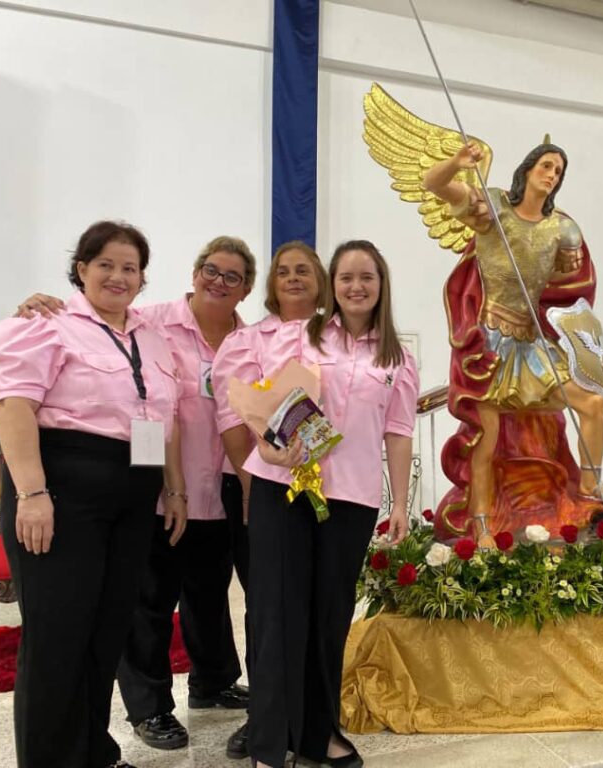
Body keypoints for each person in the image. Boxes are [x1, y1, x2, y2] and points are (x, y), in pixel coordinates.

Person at [16, 236, 259, 758]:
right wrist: (38, 303)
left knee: (209, 592)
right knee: (149, 600)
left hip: (216, 484)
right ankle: (149, 706)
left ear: (246, 289)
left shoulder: (250, 340)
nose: (219, 282)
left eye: (233, 276)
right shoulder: (151, 324)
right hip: (151, 486)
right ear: (194, 273)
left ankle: (212, 682)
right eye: (211, 270)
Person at [215, 240, 419, 768]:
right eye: (346, 277)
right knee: (277, 613)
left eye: (366, 277)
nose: (356, 286)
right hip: (285, 489)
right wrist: (265, 445)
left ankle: (317, 733)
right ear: (333, 285)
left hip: (352, 498)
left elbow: (398, 431)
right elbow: (265, 397)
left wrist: (399, 502)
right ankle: (268, 744)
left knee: (329, 617)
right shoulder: (302, 335)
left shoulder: (397, 358)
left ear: (381, 285)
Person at [0, 220, 184, 768]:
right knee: (58, 635)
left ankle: (93, 752)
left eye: (130, 268)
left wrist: (173, 489)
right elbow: (14, 407)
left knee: (106, 630)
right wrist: (32, 493)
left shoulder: (152, 335)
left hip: (133, 495)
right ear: (81, 269)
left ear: (143, 278)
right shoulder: (46, 323)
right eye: (106, 265)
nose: (118, 277)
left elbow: (165, 420)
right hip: (62, 491)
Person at [423, 140, 603, 544]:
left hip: (532, 345)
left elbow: (571, 282)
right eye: (546, 165)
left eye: (559, 171)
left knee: (592, 404)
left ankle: (590, 484)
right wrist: (457, 162)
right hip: (490, 345)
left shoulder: (562, 228)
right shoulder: (493, 208)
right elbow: (434, 184)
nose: (552, 175)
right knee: (486, 440)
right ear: (527, 169)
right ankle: (482, 525)